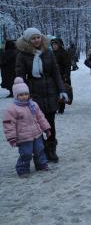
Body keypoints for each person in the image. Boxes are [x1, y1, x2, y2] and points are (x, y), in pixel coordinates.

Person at [15, 28, 68, 163]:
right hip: (33, 92)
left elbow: (56, 72)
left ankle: (51, 150)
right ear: (28, 40)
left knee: (50, 124)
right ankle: (42, 150)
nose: (36, 40)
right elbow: (20, 76)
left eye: (38, 37)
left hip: (50, 91)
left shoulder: (48, 52)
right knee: (37, 125)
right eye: (33, 38)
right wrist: (22, 94)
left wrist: (62, 89)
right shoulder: (22, 55)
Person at [3, 77, 52, 177]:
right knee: (26, 153)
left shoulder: (33, 105)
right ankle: (22, 169)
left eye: (26, 94)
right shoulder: (12, 109)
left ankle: (41, 164)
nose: (24, 97)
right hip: (23, 137)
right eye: (21, 95)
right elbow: (9, 125)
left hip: (37, 134)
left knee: (40, 149)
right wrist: (11, 138)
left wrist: (46, 128)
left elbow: (41, 118)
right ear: (16, 96)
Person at [51, 38, 72, 114]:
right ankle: (56, 107)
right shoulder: (52, 53)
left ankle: (61, 108)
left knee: (62, 91)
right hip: (53, 75)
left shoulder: (64, 53)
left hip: (62, 75)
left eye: (55, 44)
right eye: (53, 45)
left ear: (59, 44)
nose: (54, 46)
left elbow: (67, 66)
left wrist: (66, 76)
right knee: (54, 91)